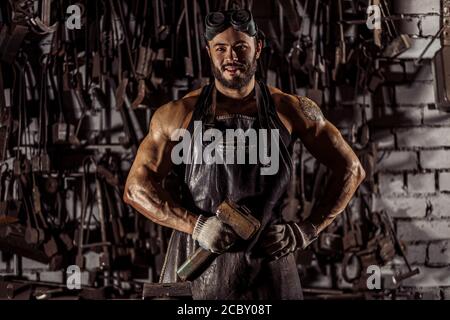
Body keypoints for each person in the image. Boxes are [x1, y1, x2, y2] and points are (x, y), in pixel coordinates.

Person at [123, 9, 365, 299]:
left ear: (258, 48)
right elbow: (136, 188)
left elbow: (351, 169)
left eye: (240, 47)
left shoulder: (291, 110)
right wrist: (196, 225)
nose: (231, 57)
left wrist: (306, 230)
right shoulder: (178, 114)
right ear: (208, 51)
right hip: (198, 269)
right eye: (221, 48)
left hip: (269, 272)